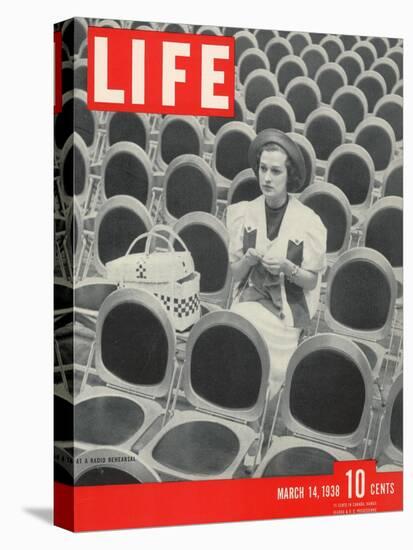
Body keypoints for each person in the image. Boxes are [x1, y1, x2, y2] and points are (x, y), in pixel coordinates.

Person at [226, 129, 327, 397]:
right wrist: (247, 260)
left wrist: (286, 267)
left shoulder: (308, 221)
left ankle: (251, 404)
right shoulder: (244, 212)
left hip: (285, 311)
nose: (267, 178)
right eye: (263, 169)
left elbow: (311, 280)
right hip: (249, 300)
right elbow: (235, 274)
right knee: (235, 328)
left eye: (276, 171)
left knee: (256, 346)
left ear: (289, 176)